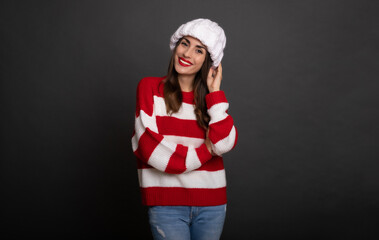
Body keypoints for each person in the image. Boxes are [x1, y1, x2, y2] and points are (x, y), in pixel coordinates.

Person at [131, 18, 238, 240]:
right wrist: (208, 150)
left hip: (212, 205)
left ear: (209, 61)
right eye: (184, 43)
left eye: (199, 50)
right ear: (175, 45)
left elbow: (224, 143)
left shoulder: (212, 102)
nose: (187, 54)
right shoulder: (150, 88)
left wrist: (215, 91)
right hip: (166, 205)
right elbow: (149, 149)